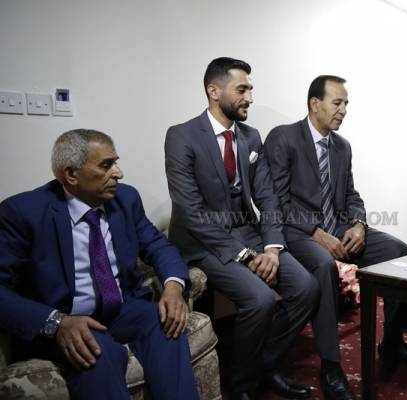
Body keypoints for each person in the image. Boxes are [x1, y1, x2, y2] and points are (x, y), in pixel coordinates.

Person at [264, 75, 407, 400]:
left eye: (346, 103)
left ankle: (393, 343)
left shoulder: (341, 146)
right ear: (314, 103)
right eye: (337, 102)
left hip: (339, 226)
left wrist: (359, 224)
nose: (344, 110)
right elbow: (277, 200)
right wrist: (316, 232)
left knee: (399, 251)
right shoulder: (284, 137)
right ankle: (331, 365)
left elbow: (351, 196)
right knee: (324, 266)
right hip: (298, 231)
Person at [0, 129, 200, 400]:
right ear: (71, 175)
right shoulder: (23, 213)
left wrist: (173, 287)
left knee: (166, 323)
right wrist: (56, 322)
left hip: (122, 309)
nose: (119, 173)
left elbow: (158, 246)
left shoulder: (126, 199)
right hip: (65, 318)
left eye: (115, 163)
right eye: (106, 165)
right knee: (96, 351)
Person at [164, 57, 318, 400]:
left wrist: (272, 248)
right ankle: (242, 385)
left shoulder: (251, 137)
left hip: (248, 233)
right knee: (260, 300)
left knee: (306, 287)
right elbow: (191, 212)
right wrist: (246, 255)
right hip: (203, 241)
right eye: (242, 89)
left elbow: (269, 197)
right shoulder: (181, 136)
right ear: (214, 91)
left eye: (250, 89)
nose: (250, 97)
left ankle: (266, 365)